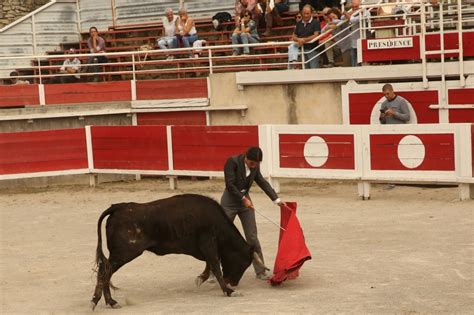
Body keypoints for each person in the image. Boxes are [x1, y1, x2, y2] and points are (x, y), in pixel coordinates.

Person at [221, 146, 285, 280]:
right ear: (246, 158)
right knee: (221, 236)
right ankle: (211, 270)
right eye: (252, 163)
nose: (254, 166)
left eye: (256, 164)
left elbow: (262, 182)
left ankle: (260, 270)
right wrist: (243, 198)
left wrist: (276, 199)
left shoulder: (255, 166)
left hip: (245, 203)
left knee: (252, 236)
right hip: (229, 202)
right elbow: (230, 185)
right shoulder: (232, 162)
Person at [288, 5, 321, 69]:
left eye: (307, 13)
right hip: (302, 50)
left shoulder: (316, 22)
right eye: (304, 13)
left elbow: (316, 35)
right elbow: (294, 36)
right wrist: (299, 40)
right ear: (302, 13)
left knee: (314, 70)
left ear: (311, 13)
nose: (306, 15)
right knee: (305, 70)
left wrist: (304, 40)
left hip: (313, 50)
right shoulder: (299, 23)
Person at [343, 0, 369, 67]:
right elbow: (342, 17)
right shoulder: (353, 11)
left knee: (363, 62)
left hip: (363, 41)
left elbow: (353, 20)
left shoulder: (366, 12)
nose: (354, 8)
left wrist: (348, 14)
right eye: (353, 6)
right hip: (353, 41)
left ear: (360, 5)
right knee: (354, 63)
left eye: (356, 6)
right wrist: (351, 13)